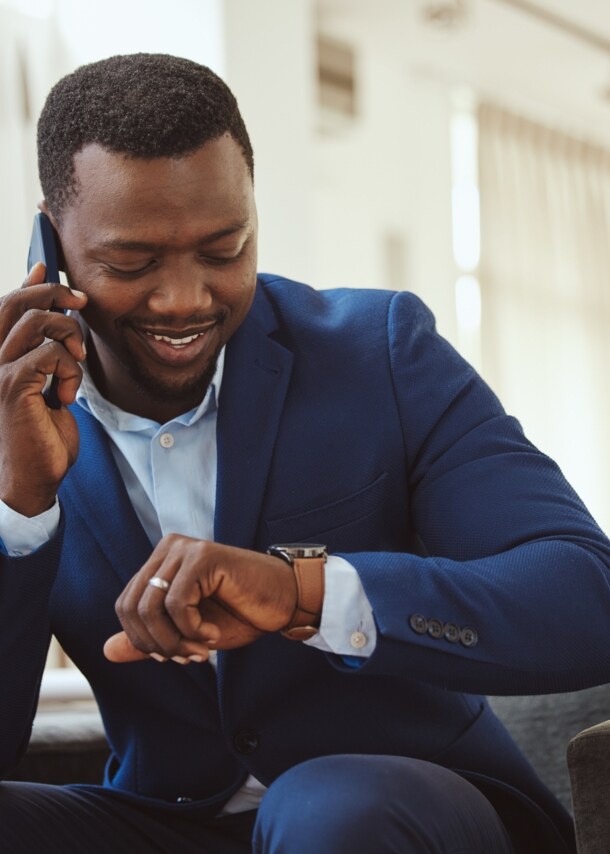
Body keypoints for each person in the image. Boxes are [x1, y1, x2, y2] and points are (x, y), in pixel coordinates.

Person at [0, 52, 608, 854]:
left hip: (400, 804)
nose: (185, 299)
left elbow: (583, 595)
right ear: (55, 238)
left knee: (330, 807)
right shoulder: (17, 418)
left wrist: (303, 594)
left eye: (224, 249)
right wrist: (21, 511)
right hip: (167, 818)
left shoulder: (380, 352)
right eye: (132, 263)